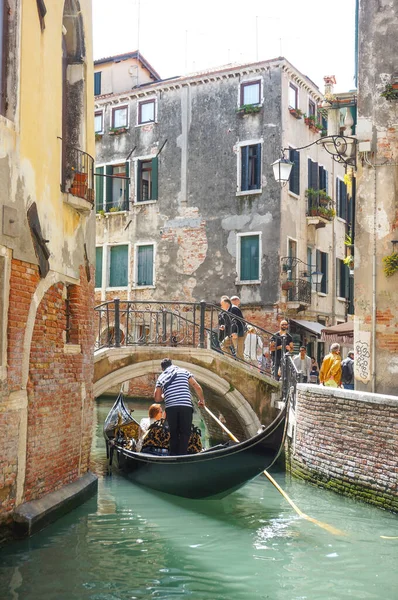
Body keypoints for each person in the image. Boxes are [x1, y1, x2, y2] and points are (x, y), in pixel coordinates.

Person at [154, 358, 205, 455]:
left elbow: (157, 399)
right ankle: (182, 455)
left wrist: (164, 395)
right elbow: (196, 386)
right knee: (185, 433)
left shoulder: (161, 377)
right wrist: (202, 400)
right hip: (186, 406)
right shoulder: (184, 371)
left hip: (171, 408)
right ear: (172, 364)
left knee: (174, 433)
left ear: (162, 368)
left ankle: (173, 455)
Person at [230, 295, 247, 360]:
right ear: (237, 301)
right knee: (239, 352)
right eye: (238, 300)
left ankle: (232, 361)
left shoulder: (233, 308)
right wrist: (234, 332)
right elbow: (234, 321)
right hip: (238, 333)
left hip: (237, 332)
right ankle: (239, 366)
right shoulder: (234, 308)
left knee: (224, 345)